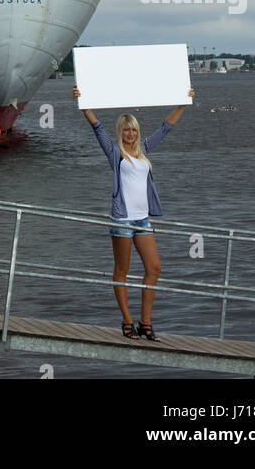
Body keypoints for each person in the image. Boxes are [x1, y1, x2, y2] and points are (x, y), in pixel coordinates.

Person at [72, 82, 195, 341]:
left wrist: (182, 104)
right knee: (122, 269)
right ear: (121, 132)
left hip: (142, 219)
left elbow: (165, 128)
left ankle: (145, 322)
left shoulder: (144, 150)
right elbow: (98, 129)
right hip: (122, 219)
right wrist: (84, 105)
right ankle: (127, 321)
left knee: (154, 267)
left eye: (134, 130)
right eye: (126, 130)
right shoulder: (115, 153)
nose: (130, 134)